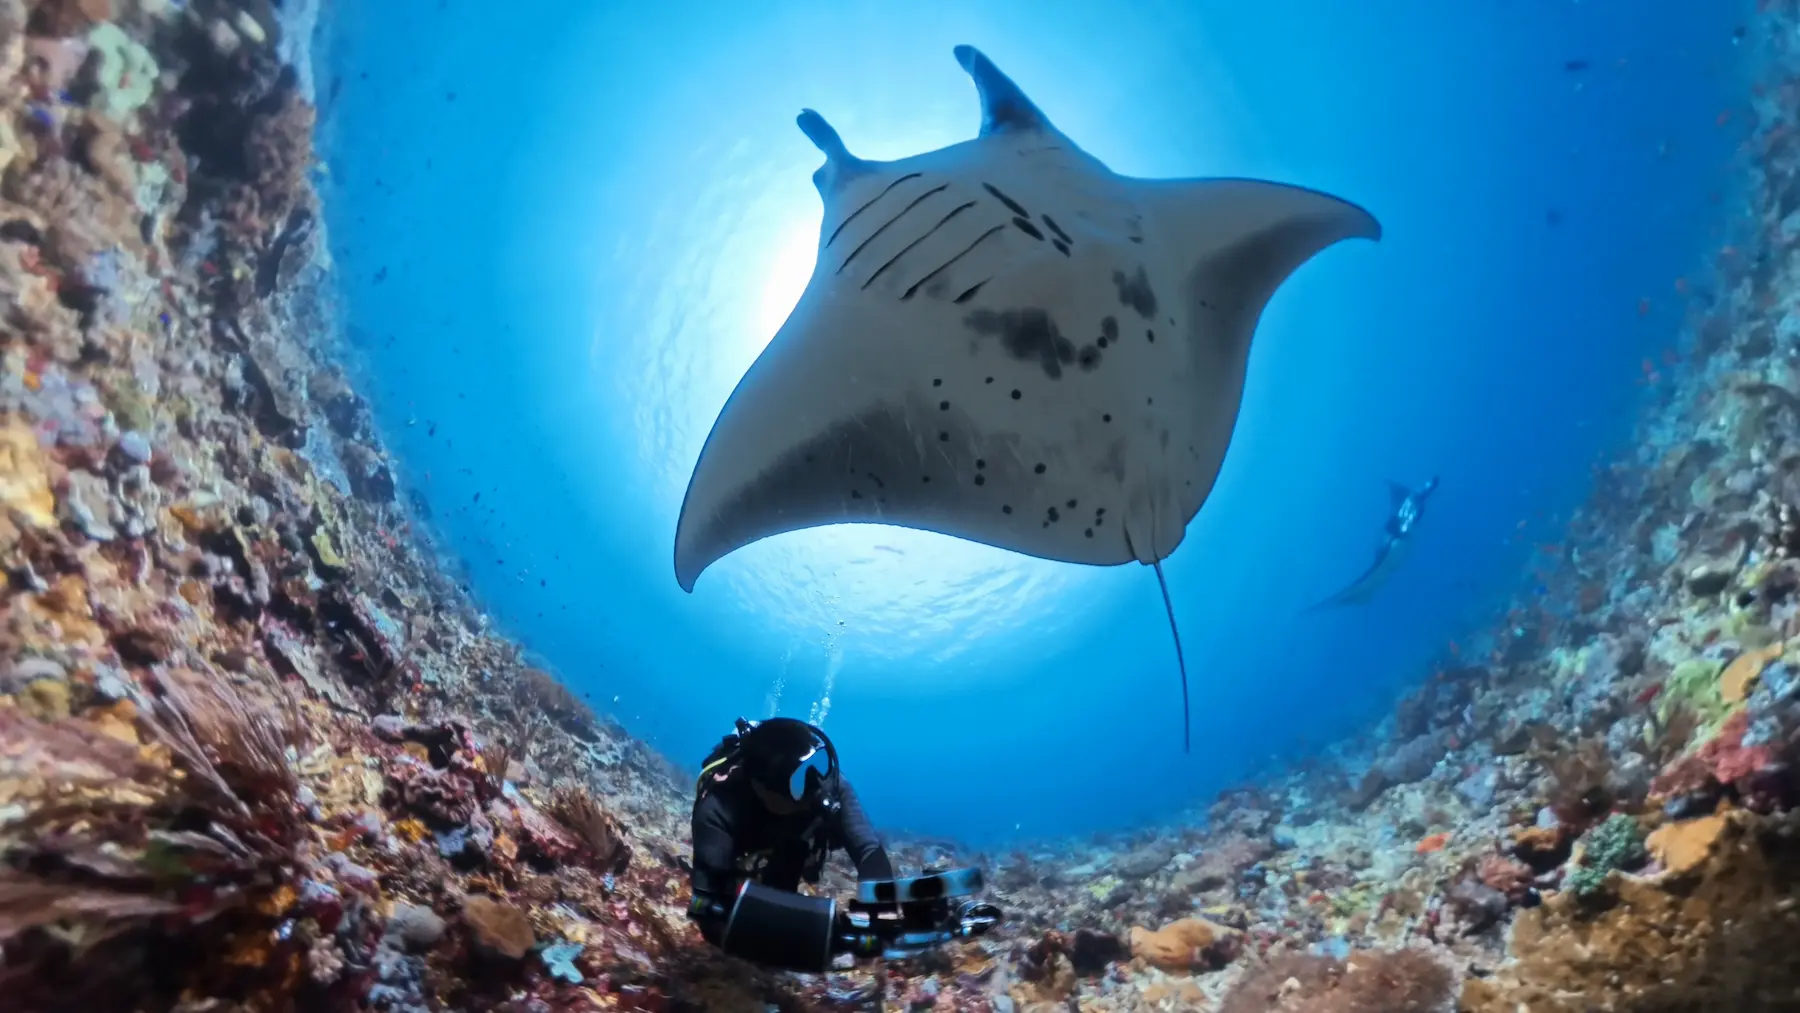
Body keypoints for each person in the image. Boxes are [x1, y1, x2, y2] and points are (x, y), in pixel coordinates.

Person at [686, 717, 897, 967]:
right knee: (751, 911)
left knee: (784, 879)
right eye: (797, 782)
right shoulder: (719, 809)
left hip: (794, 843)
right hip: (750, 841)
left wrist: (881, 913)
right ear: (759, 786)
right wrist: (827, 938)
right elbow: (710, 916)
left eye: (817, 764)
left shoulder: (829, 782)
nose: (816, 787)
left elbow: (869, 849)